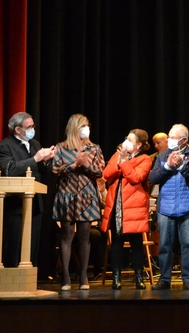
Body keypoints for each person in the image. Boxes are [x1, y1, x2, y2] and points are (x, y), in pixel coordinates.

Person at [52, 114, 106, 290]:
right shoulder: (61, 147)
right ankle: (66, 278)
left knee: (85, 237)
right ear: (74, 127)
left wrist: (85, 165)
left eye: (88, 125)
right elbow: (55, 169)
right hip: (66, 195)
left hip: (87, 196)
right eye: (83, 125)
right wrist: (73, 165)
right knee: (67, 236)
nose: (86, 128)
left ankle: (83, 277)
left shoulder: (94, 148)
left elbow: (100, 172)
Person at [0, 112, 56, 268]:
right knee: (15, 245)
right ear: (17, 130)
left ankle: (29, 280)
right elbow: (9, 170)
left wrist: (46, 160)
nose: (32, 129)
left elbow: (41, 172)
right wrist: (36, 159)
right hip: (16, 205)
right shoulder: (4, 146)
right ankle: (11, 281)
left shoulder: (35, 144)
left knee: (32, 245)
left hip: (35, 203)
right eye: (29, 127)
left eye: (33, 126)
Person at [149, 123, 189, 290]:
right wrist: (168, 166)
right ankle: (164, 279)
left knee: (187, 244)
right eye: (169, 137)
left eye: (173, 138)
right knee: (165, 244)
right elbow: (153, 177)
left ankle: (188, 279)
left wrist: (181, 166)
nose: (169, 140)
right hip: (166, 207)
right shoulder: (162, 155)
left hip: (187, 207)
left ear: (184, 140)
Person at [101, 129, 152, 290]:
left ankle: (139, 276)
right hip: (117, 204)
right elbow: (107, 174)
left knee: (136, 243)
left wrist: (124, 162)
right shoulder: (117, 155)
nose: (126, 141)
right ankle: (116, 277)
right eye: (126, 138)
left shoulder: (145, 159)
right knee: (116, 241)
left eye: (130, 139)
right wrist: (120, 160)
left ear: (139, 145)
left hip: (134, 205)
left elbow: (136, 177)